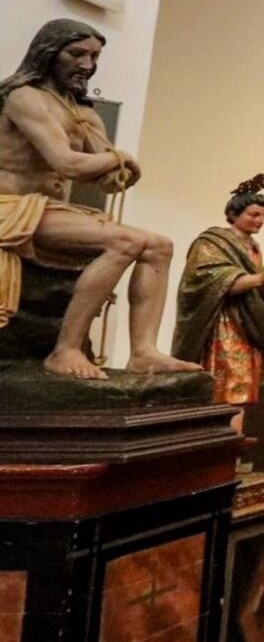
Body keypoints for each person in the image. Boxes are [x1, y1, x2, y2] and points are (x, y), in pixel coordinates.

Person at [0, 19, 201, 379]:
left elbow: (108, 176)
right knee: (126, 241)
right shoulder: (24, 98)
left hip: (49, 210)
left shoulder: (83, 112)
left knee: (159, 245)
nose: (87, 65)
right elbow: (66, 162)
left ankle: (143, 352)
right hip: (10, 208)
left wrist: (119, 169)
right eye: (76, 54)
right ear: (48, 53)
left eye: (94, 56)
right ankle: (65, 350)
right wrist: (117, 159)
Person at [172, 175, 264, 404]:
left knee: (244, 382)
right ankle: (222, 434)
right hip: (223, 322)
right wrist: (259, 278)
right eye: (254, 215)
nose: (260, 220)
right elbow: (209, 281)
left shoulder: (252, 246)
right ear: (234, 214)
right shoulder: (212, 242)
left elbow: (258, 290)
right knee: (227, 381)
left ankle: (237, 434)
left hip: (247, 322)